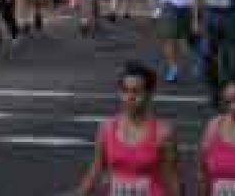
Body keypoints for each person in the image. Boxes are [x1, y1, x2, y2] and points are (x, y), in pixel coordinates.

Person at [77, 62, 181, 196]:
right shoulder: (107, 128)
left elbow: (173, 180)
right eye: (125, 91)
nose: (130, 97)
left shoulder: (163, 133)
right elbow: (95, 170)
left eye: (136, 92)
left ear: (150, 94)